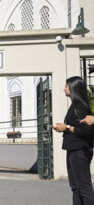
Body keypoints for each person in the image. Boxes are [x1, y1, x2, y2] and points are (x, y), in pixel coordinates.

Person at [53, 76, 94, 204]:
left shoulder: (81, 107)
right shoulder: (74, 106)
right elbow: (76, 127)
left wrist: (67, 127)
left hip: (80, 151)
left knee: (84, 189)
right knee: (75, 188)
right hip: (73, 150)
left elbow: (87, 132)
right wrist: (64, 128)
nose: (64, 89)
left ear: (74, 87)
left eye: (66, 86)